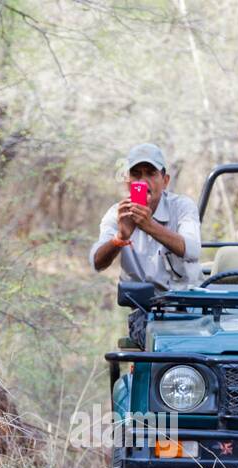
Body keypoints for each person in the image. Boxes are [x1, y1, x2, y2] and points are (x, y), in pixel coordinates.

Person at [90, 143, 202, 345]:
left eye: (151, 173)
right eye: (136, 175)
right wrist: (120, 238)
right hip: (146, 313)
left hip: (189, 308)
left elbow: (192, 250)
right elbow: (97, 262)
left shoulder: (182, 207)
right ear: (128, 182)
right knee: (159, 345)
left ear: (165, 180)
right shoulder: (118, 213)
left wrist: (149, 225)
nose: (143, 181)